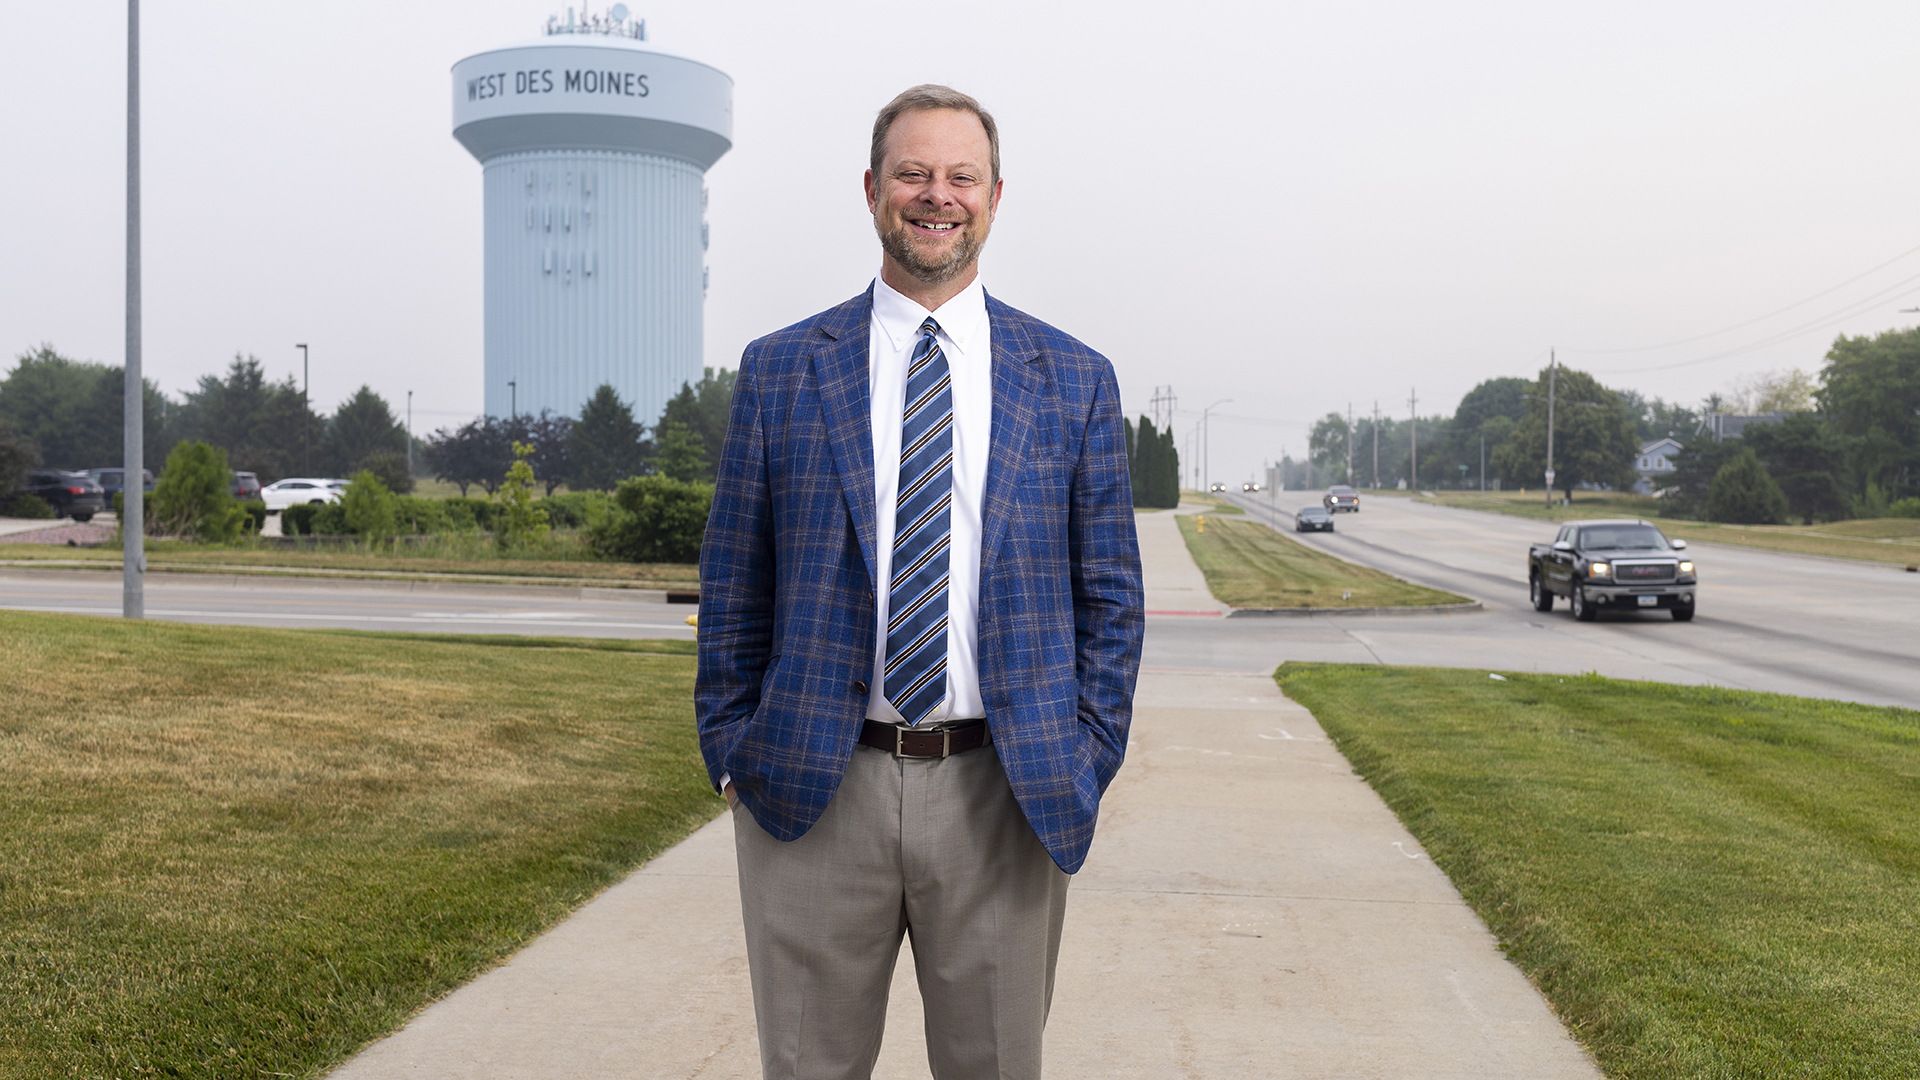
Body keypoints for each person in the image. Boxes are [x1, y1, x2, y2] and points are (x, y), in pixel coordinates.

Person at [696, 83, 1144, 1080]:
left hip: (1007, 792)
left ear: (993, 197)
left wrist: (1087, 754)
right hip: (815, 789)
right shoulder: (782, 372)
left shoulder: (1073, 379)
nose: (935, 196)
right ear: (871, 189)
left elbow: (1110, 597)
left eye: (960, 177)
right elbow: (736, 581)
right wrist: (730, 745)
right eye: (913, 173)